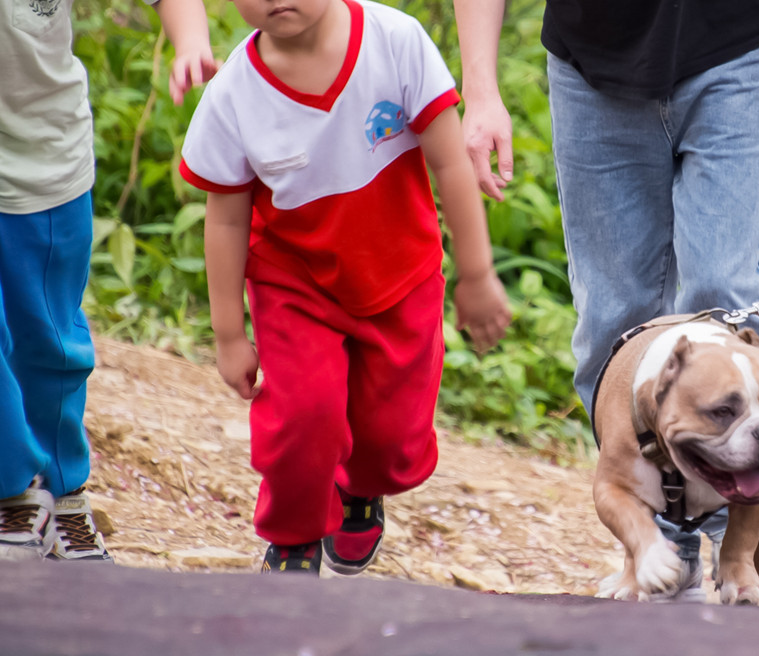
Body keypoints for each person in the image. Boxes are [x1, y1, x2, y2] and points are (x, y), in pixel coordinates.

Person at [453, 0, 759, 601]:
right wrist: (481, 89)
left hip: (740, 45)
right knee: (611, 327)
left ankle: (740, 549)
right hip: (593, 61)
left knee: (725, 301)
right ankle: (663, 546)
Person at [180, 0, 511, 575]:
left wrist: (476, 273)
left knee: (391, 440)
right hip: (296, 284)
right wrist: (229, 332)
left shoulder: (396, 42)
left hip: (400, 273)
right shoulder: (233, 94)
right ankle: (294, 540)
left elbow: (450, 164)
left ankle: (361, 491)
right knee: (302, 419)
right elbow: (227, 220)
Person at [0, 0, 214, 564]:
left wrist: (190, 42)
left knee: (47, 343)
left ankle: (62, 492)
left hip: (42, 167)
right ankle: (12, 491)